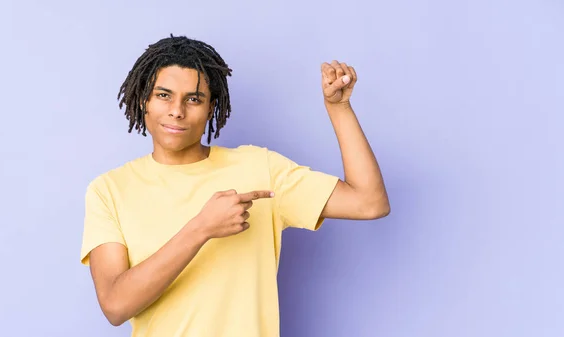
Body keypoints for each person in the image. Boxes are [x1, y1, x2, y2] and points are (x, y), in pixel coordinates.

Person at [79, 34, 390, 337]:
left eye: (194, 99)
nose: (177, 110)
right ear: (143, 100)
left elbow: (369, 202)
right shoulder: (109, 190)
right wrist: (201, 228)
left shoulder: (259, 168)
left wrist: (339, 109)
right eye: (163, 95)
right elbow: (115, 306)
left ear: (211, 107)